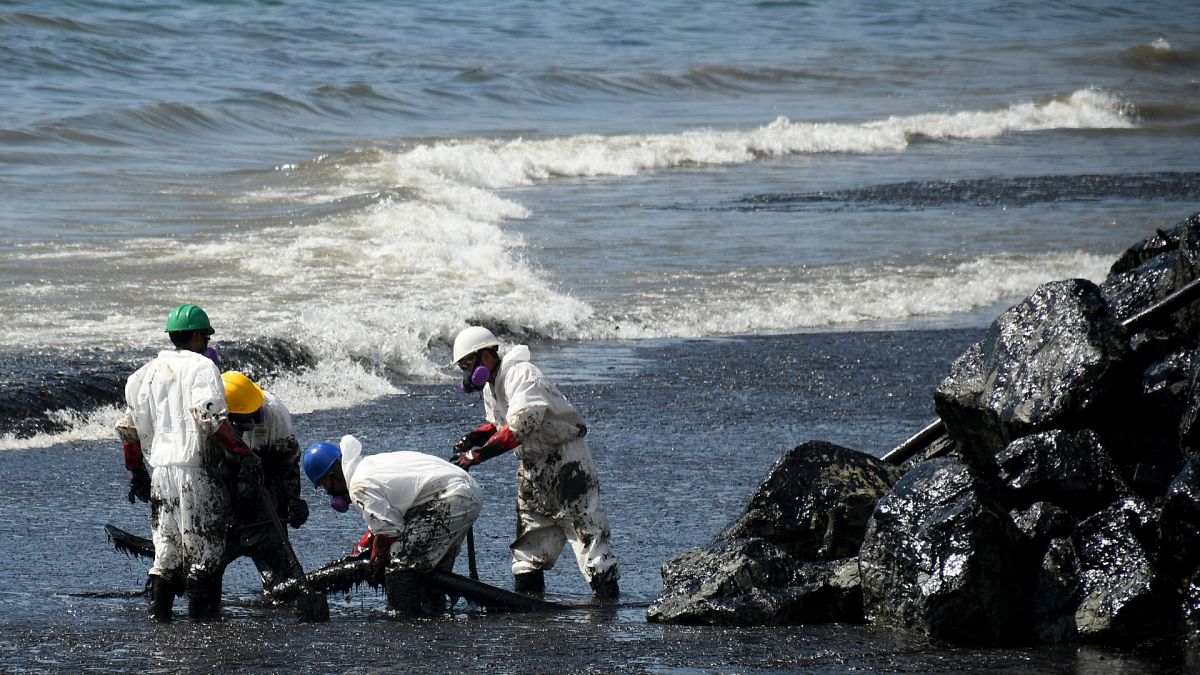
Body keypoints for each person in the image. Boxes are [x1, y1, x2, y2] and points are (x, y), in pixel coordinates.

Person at [449, 326, 620, 598]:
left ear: (488, 355)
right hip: (533, 466)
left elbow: (521, 425)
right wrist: (474, 438)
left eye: (470, 363)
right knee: (530, 544)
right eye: (464, 367)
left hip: (566, 461)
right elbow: (498, 424)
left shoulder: (521, 374)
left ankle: (607, 604)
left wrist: (478, 456)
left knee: (586, 533)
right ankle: (530, 606)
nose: (468, 372)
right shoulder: (491, 387)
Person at [114, 304, 260, 622]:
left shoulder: (142, 375)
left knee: (166, 551)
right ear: (196, 336)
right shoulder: (202, 367)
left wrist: (137, 473)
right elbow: (207, 417)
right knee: (205, 551)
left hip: (160, 474)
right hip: (196, 472)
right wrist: (243, 453)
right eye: (205, 336)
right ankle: (202, 627)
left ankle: (160, 621)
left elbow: (128, 431)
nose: (206, 342)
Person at [303, 434, 483, 615]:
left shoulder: (358, 485)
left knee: (401, 563)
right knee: (431, 569)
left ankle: (404, 619)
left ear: (327, 479)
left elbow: (390, 530)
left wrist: (376, 561)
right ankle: (434, 613)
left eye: (326, 489)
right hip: (461, 493)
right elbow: (388, 518)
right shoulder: (367, 465)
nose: (330, 494)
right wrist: (362, 549)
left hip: (451, 499)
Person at [219, 371, 310, 592]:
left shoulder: (274, 411)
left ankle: (278, 586)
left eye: (254, 414)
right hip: (227, 479)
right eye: (244, 418)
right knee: (213, 558)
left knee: (277, 557)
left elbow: (288, 460)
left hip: (267, 475)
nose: (252, 420)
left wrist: (293, 499)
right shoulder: (213, 416)